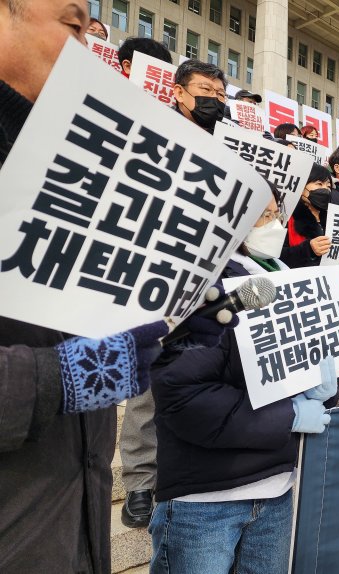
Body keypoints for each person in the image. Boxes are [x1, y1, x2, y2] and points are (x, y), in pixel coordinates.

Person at [0, 6, 229, 569]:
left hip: (66, 513)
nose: (87, 47)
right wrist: (61, 377)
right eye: (73, 26)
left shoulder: (72, 155)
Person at [149, 189, 336, 574]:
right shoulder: (198, 283)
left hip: (276, 490)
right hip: (205, 499)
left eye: (276, 215)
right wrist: (288, 415)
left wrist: (318, 376)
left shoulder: (279, 276)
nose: (275, 227)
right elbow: (184, 396)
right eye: (263, 217)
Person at [120, 56, 228, 529]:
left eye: (220, 94)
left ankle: (188, 468)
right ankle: (140, 481)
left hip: (209, 284)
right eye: (204, 89)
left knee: (201, 375)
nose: (213, 100)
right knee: (146, 382)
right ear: (179, 92)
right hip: (151, 276)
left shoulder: (230, 148)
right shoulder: (149, 134)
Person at [281, 163, 333, 268]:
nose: (325, 189)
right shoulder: (286, 218)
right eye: (319, 184)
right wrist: (308, 249)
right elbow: (276, 258)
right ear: (301, 187)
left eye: (328, 186)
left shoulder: (334, 219)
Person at [173, 59, 227, 132]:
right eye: (206, 89)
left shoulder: (225, 139)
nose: (215, 97)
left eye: (221, 94)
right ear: (180, 93)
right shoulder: (157, 127)